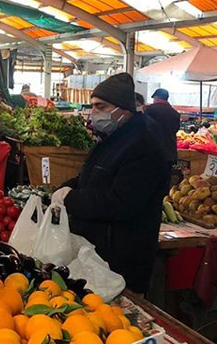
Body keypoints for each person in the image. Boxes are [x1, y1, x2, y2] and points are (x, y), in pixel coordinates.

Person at [51, 73, 171, 293]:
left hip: (121, 264)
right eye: (93, 106)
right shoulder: (114, 138)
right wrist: (63, 189)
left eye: (101, 107)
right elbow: (91, 177)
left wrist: (71, 199)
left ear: (122, 109)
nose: (93, 113)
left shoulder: (143, 147)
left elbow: (119, 203)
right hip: (98, 257)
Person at [144, 88, 180, 164]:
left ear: (156, 97)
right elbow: (176, 129)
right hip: (170, 153)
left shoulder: (150, 110)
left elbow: (145, 129)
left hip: (153, 153)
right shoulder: (174, 113)